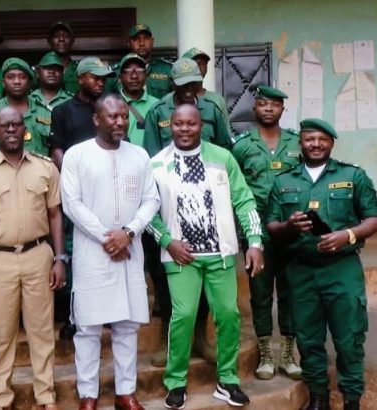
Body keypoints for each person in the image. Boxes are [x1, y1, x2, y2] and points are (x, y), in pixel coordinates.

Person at [146, 104, 262, 409]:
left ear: (202, 126)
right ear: (169, 126)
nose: (184, 129)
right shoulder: (157, 164)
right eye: (178, 124)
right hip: (182, 256)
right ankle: (176, 381)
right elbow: (146, 213)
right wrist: (169, 242)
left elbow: (244, 199)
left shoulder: (222, 158)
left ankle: (228, 380)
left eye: (191, 124)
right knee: (182, 316)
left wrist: (254, 241)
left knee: (228, 315)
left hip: (220, 254)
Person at [265, 119, 377, 410]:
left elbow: (373, 219)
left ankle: (352, 399)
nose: (315, 144)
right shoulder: (283, 182)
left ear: (331, 142)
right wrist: (289, 227)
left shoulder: (353, 176)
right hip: (301, 270)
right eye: (309, 139)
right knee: (308, 338)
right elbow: (271, 225)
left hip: (341, 270)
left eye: (322, 139)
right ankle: (318, 397)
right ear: (300, 144)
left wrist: (348, 235)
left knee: (349, 338)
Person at [61, 94, 160, 410]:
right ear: (96, 119)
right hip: (93, 253)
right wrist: (108, 238)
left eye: (123, 116)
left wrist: (128, 233)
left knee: (126, 326)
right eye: (112, 117)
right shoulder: (77, 156)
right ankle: (88, 395)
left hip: (129, 251)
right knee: (88, 329)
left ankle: (125, 393)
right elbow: (71, 204)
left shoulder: (140, 155)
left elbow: (151, 200)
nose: (120, 122)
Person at [0, 106, 65, 410]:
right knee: (2, 334)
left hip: (38, 256)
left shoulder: (45, 167)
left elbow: (56, 215)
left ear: (25, 129)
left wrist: (60, 257)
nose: (10, 130)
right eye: (4, 126)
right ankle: (1, 397)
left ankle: (46, 396)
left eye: (16, 125)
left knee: (42, 332)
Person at [231, 85, 302, 381]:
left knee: (291, 292)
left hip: (291, 230)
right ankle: (266, 354)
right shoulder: (243, 145)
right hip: (257, 230)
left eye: (274, 104)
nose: (269, 109)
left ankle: (288, 352)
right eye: (263, 104)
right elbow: (233, 189)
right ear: (255, 109)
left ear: (282, 110)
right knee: (260, 293)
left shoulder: (297, 144)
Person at [49, 56, 115, 341]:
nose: (100, 82)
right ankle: (74, 315)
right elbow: (57, 151)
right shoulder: (63, 111)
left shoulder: (110, 109)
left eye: (103, 78)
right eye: (94, 77)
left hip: (107, 192)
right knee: (76, 254)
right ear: (80, 78)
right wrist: (76, 178)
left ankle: (109, 312)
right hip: (74, 194)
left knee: (108, 247)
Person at [143, 57, 232, 157]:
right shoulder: (157, 112)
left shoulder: (211, 109)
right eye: (183, 84)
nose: (189, 89)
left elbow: (224, 149)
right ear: (173, 82)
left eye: (193, 83)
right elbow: (151, 154)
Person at [0, 58, 52, 156]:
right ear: (3, 83)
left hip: (40, 170)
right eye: (11, 77)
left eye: (22, 77)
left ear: (29, 82)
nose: (17, 81)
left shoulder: (46, 112)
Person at [108, 24, 173, 98]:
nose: (142, 43)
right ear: (128, 43)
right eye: (136, 39)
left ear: (152, 41)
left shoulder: (168, 69)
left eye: (146, 38)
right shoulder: (115, 72)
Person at [117, 53, 159, 147]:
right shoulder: (111, 105)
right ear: (120, 77)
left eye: (139, 71)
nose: (134, 76)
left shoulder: (157, 105)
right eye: (128, 71)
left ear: (146, 76)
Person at [181, 47, 230, 125]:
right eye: (195, 64)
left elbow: (225, 135)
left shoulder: (217, 100)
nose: (199, 68)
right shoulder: (172, 100)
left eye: (203, 64)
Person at [47, 21, 79, 94]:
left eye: (66, 36)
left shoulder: (81, 71)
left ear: (73, 40)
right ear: (49, 40)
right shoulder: (40, 72)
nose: (61, 39)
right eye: (56, 36)